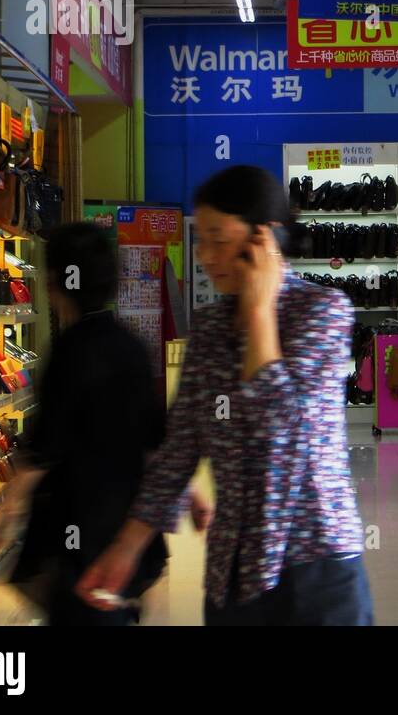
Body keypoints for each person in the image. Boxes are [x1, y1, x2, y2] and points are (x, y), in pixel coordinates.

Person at [75, 165, 372, 626]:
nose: (205, 255)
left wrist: (258, 314)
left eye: (219, 238)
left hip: (316, 567)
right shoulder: (211, 329)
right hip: (232, 572)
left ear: (264, 239)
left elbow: (283, 435)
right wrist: (125, 549)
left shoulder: (323, 312)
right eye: (202, 239)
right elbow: (179, 449)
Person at [0, 222, 172, 626]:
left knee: (79, 604)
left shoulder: (68, 351)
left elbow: (46, 446)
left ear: (57, 283)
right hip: (128, 517)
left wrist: (9, 508)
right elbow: (156, 438)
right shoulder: (131, 345)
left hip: (77, 519)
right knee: (108, 601)